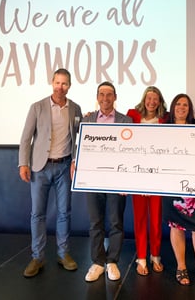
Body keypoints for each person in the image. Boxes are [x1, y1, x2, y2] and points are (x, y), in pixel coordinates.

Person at [18, 68, 82, 278]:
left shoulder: (76, 109)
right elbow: (26, 138)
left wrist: (74, 160)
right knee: (38, 213)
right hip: (40, 168)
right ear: (51, 83)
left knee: (65, 212)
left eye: (64, 84)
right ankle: (37, 257)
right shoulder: (37, 107)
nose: (60, 87)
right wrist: (23, 164)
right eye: (57, 83)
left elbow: (79, 137)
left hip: (64, 167)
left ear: (69, 86)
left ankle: (63, 254)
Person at [81, 81, 133, 282]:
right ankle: (97, 262)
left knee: (115, 222)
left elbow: (131, 152)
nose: (105, 98)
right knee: (95, 222)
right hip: (92, 179)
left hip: (116, 181)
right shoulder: (88, 120)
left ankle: (112, 261)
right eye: (101, 94)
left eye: (109, 94)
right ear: (97, 97)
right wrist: (76, 162)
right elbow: (81, 146)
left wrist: (126, 181)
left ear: (115, 97)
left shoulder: (126, 121)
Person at [162, 93, 195, 286]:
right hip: (171, 186)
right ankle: (181, 267)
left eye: (185, 105)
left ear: (190, 108)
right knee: (176, 227)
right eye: (178, 104)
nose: (181, 107)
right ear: (172, 107)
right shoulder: (163, 130)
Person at [126, 86, 169, 276]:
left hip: (158, 177)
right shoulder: (132, 115)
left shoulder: (166, 118)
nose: (152, 102)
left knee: (156, 219)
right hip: (137, 176)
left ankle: (155, 256)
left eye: (155, 99)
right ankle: (141, 258)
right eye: (149, 98)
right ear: (144, 99)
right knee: (140, 218)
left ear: (160, 101)